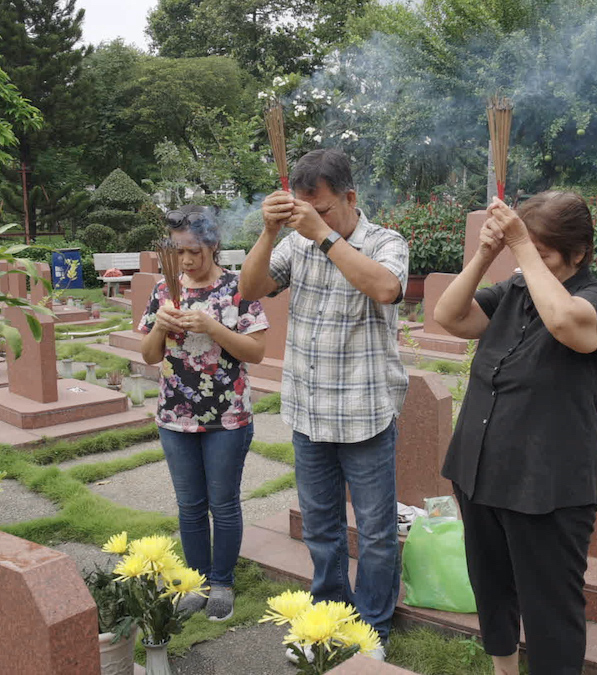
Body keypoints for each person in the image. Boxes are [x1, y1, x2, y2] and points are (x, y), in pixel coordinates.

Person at [434, 191, 597, 675]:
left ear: (579, 253)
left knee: (550, 608)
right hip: (479, 469)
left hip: (548, 485)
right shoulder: (515, 289)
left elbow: (566, 324)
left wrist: (520, 243)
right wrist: (485, 254)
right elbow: (449, 317)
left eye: (543, 254)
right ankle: (503, 670)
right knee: (491, 586)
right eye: (525, 251)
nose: (528, 262)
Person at [239, 149, 409, 660]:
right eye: (304, 210)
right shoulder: (295, 242)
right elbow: (249, 289)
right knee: (321, 529)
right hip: (308, 413)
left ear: (350, 197)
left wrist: (325, 236)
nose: (312, 219)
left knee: (376, 533)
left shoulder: (385, 241)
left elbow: (386, 288)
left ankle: (372, 629)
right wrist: (269, 231)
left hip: (365, 413)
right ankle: (330, 618)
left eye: (324, 209)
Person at [139, 205, 269, 622]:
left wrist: (212, 326)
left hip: (227, 417)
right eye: (178, 251)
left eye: (194, 250)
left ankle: (222, 582)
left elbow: (257, 352)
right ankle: (195, 582)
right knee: (190, 505)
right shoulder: (164, 289)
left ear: (213, 244)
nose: (187, 260)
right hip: (175, 417)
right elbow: (149, 356)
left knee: (223, 503)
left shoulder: (238, 288)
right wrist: (161, 326)